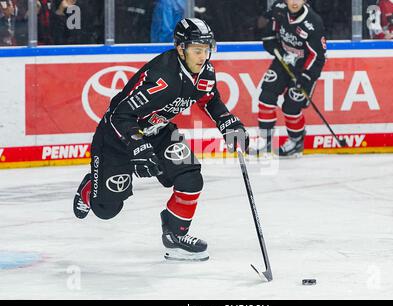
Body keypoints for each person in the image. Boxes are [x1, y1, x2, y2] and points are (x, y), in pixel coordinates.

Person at [73, 18, 249, 262]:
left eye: (206, 50)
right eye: (197, 50)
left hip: (159, 132)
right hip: (117, 138)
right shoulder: (162, 78)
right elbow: (120, 115)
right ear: (180, 48)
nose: (203, 56)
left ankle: (175, 236)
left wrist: (227, 122)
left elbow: (209, 99)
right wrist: (139, 146)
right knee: (106, 209)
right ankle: (90, 188)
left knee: (190, 177)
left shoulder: (205, 71)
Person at [250, 0, 326, 157]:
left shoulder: (313, 22)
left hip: (303, 69)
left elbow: (317, 56)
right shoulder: (279, 9)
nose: (294, 2)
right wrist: (270, 42)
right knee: (266, 97)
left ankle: (296, 141)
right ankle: (265, 140)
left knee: (291, 107)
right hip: (283, 60)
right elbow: (268, 28)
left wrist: (305, 76)